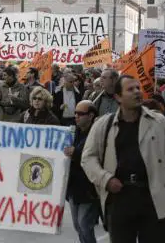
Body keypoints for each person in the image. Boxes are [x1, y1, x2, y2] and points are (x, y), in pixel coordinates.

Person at [82, 75, 165, 243]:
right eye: (130, 89)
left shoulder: (159, 122)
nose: (137, 92)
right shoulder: (104, 124)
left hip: (153, 198)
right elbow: (88, 158)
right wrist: (106, 179)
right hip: (120, 199)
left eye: (138, 88)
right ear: (118, 97)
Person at [63, 100, 99, 243]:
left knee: (84, 224)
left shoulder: (97, 133)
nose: (76, 116)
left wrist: (76, 153)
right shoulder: (72, 132)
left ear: (90, 116)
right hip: (73, 187)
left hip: (89, 187)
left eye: (81, 114)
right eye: (75, 113)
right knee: (78, 225)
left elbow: (95, 155)